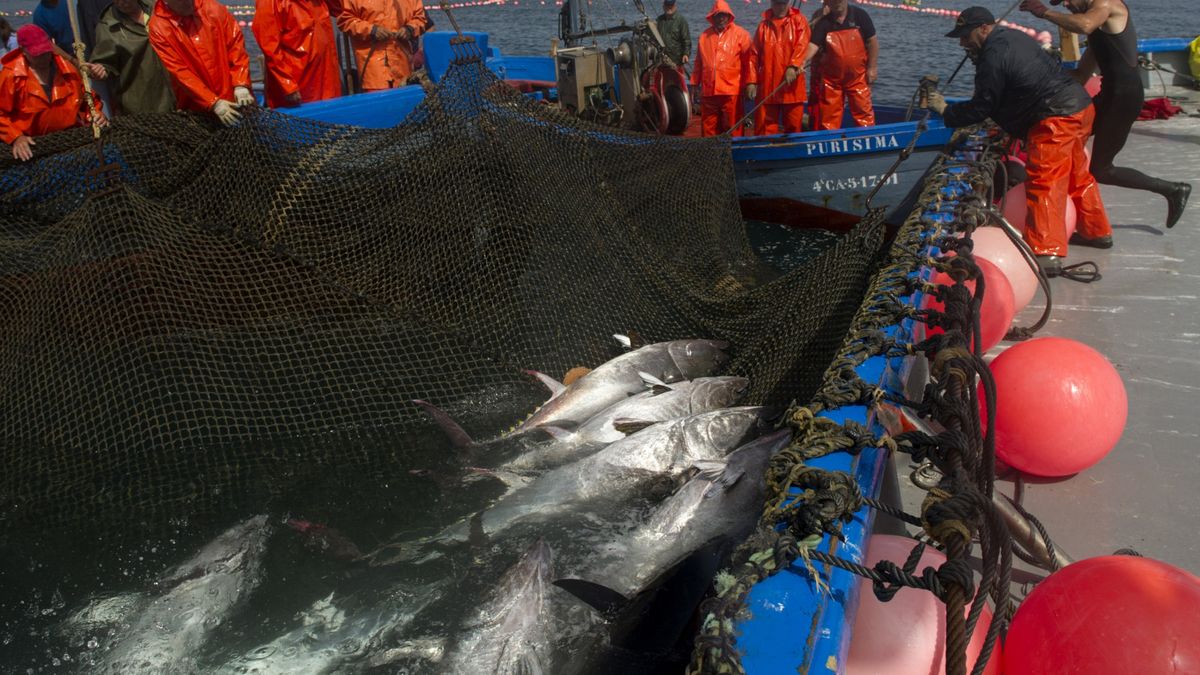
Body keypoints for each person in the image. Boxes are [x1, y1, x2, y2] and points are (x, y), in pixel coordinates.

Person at [929, 7, 1110, 276]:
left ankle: (1047, 252)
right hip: (1080, 107)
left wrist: (946, 110)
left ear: (984, 29)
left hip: (1054, 119)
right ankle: (1097, 232)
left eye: (966, 36)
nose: (962, 42)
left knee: (1044, 181)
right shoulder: (1011, 37)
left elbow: (982, 107)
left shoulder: (992, 58)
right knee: (1077, 174)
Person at [1019, 0, 1191, 229]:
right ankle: (1082, 224)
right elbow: (1081, 74)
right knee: (1066, 138)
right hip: (1108, 94)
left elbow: (1085, 24)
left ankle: (1172, 189)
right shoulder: (1097, 34)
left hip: (1125, 99)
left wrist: (1045, 13)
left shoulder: (1106, 5)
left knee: (1102, 169)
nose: (1067, 4)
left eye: (1066, 0)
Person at [0, 25, 106, 161]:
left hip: (72, 139)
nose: (44, 57)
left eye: (46, 51)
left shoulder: (67, 69)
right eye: (37, 54)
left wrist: (96, 114)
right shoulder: (10, 76)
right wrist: (16, 137)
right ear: (23, 50)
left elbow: (90, 100)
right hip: (33, 146)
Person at [148, 0, 254, 126]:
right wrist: (213, 102)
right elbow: (180, 71)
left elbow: (236, 46)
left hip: (236, 97)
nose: (188, 3)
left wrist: (241, 83)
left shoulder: (214, 9)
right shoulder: (159, 27)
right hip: (196, 109)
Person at [85, 0, 175, 114]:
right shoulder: (108, 27)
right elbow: (103, 64)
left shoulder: (158, 7)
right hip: (143, 107)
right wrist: (99, 70)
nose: (122, 3)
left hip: (180, 96)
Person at [253, 0, 342, 107]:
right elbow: (270, 48)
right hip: (299, 85)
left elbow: (341, 9)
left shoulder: (319, 2)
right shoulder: (270, 3)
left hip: (328, 81)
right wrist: (288, 85)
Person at [806, 0, 877, 130]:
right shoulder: (823, 22)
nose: (836, 3)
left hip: (858, 78)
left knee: (863, 110)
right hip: (832, 81)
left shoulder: (860, 15)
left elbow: (872, 42)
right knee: (828, 117)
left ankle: (867, 136)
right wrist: (799, 63)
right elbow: (813, 45)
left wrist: (872, 68)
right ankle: (828, 140)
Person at [746, 0, 810, 135]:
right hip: (768, 88)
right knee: (765, 130)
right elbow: (753, 56)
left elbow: (802, 45)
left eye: (783, 3)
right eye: (777, 3)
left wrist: (793, 66)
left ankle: (794, 154)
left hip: (792, 88)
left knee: (793, 127)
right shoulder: (763, 26)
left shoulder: (799, 21)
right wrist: (751, 81)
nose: (780, 6)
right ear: (771, 3)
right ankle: (764, 154)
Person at [337, 0, 429, 91]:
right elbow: (345, 20)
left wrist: (410, 29)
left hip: (403, 69)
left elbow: (421, 18)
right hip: (373, 73)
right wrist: (371, 31)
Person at [691, 0, 752, 137]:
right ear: (712, 17)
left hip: (731, 91)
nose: (721, 18)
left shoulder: (741, 34)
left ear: (729, 16)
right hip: (709, 91)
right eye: (718, 15)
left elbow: (750, 62)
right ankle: (711, 155)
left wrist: (750, 84)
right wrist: (694, 83)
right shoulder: (704, 37)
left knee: (732, 126)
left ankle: (734, 154)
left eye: (724, 15)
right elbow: (698, 63)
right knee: (708, 128)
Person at [657, 0, 691, 66]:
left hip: (676, 61)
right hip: (661, 61)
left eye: (671, 5)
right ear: (663, 7)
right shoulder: (659, 20)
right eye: (667, 5)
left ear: (675, 6)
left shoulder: (681, 21)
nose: (669, 7)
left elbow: (686, 40)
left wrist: (686, 54)